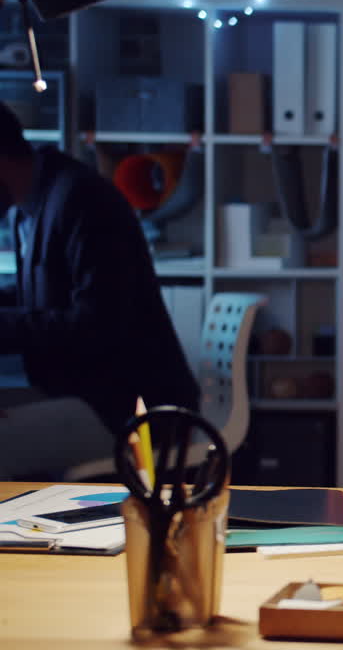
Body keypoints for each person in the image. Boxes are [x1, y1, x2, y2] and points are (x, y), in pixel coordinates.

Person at [0, 102, 198, 480]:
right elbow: (40, 297)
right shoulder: (35, 202)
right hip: (81, 394)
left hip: (125, 408)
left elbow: (97, 325)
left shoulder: (82, 200)